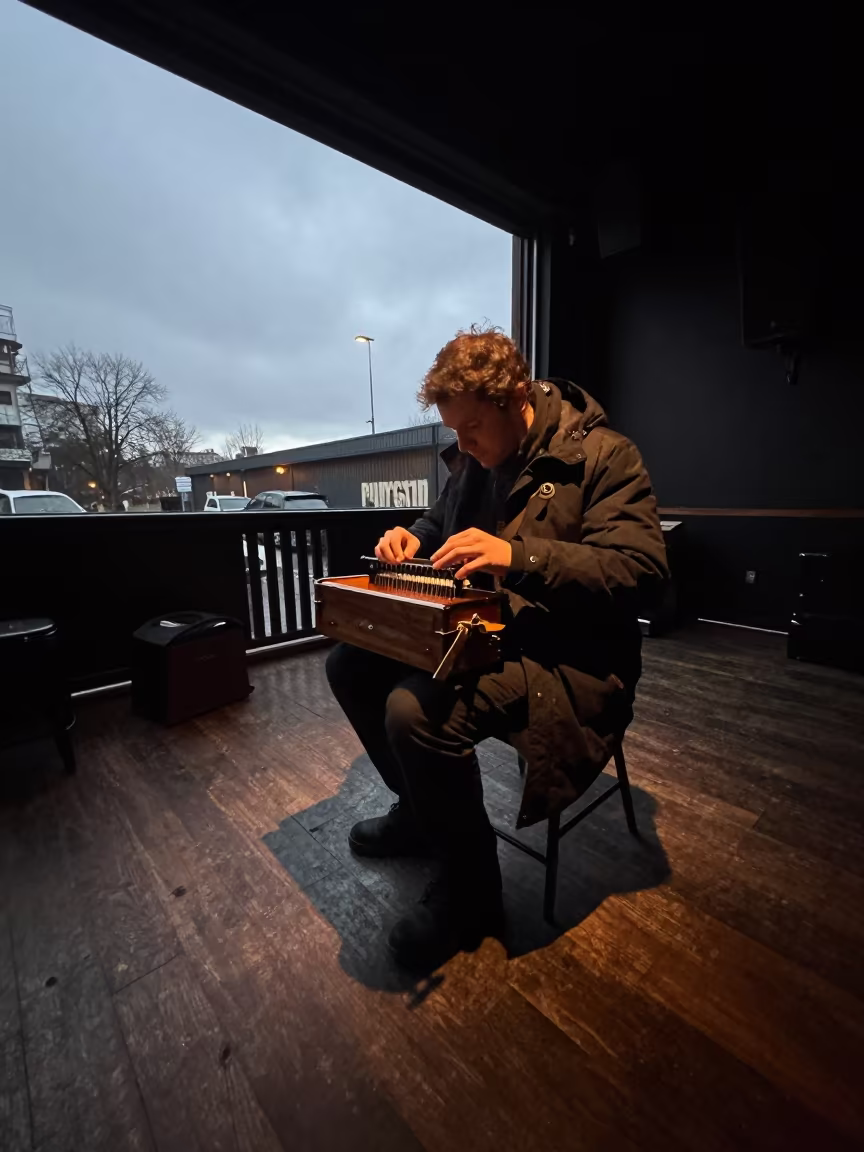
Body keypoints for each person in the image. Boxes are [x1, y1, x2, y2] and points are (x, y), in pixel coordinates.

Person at [326, 324, 668, 968]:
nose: (464, 444)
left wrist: (518, 555)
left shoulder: (603, 455)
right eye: (454, 432)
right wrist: (412, 538)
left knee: (413, 711)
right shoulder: (475, 458)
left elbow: (642, 574)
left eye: (473, 428)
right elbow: (440, 522)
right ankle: (423, 813)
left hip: (566, 655)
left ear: (516, 397)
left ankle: (472, 892)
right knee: (348, 664)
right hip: (486, 632)